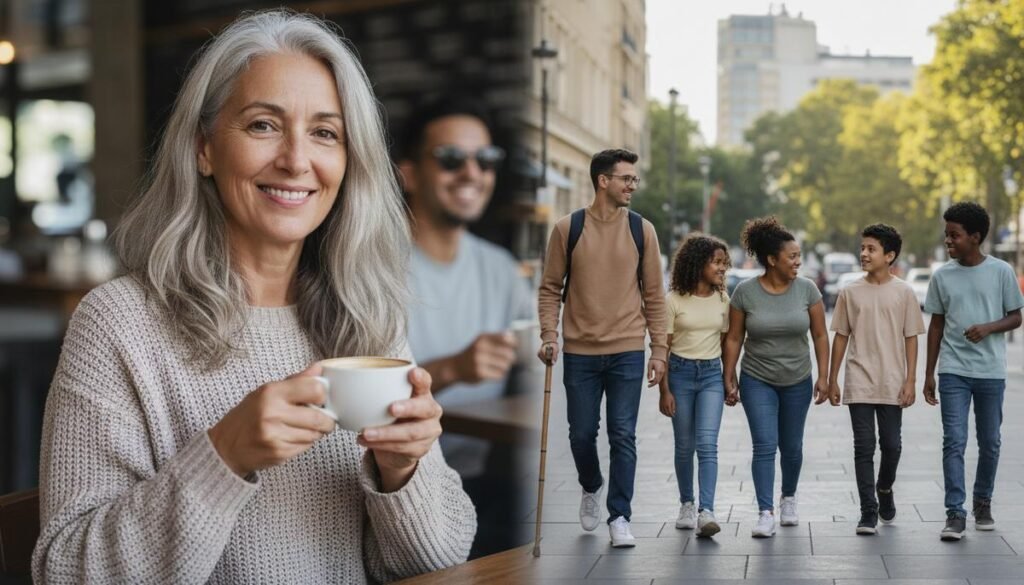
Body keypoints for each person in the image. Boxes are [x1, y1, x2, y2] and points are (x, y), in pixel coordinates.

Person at [31, 11, 475, 584]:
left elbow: (437, 564)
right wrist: (223, 456)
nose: (296, 160)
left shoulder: (367, 322)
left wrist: (402, 471)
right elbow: (65, 570)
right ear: (204, 150)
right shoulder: (120, 324)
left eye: (325, 133)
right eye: (263, 125)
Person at [398, 96, 533, 556]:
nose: (472, 173)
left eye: (486, 160)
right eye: (451, 159)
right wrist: (453, 368)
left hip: (482, 480)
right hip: (397, 485)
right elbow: (355, 405)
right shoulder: (372, 267)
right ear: (409, 174)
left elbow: (543, 348)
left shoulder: (500, 268)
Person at [537, 148, 668, 548]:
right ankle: (591, 484)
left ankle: (620, 515)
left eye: (634, 179)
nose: (632, 185)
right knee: (580, 435)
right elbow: (549, 289)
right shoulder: (567, 228)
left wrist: (659, 350)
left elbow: (655, 295)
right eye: (626, 178)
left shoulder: (641, 230)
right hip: (580, 353)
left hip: (628, 349)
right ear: (603, 181)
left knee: (623, 435)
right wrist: (549, 334)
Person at [722, 216, 830, 538]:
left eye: (798, 256)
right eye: (792, 257)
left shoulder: (808, 290)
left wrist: (824, 377)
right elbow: (733, 338)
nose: (798, 262)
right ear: (772, 260)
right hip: (758, 379)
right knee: (765, 445)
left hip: (797, 379)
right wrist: (729, 376)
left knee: (792, 447)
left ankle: (789, 498)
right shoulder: (745, 292)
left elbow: (821, 336)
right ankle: (765, 511)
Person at [923, 201, 1024, 541]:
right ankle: (955, 512)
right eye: (947, 235)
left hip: (990, 371)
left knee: (990, 442)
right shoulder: (941, 276)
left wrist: (989, 327)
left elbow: (1016, 316)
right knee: (954, 441)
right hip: (953, 370)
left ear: (975, 237)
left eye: (955, 235)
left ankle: (983, 501)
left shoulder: (1001, 271)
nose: (948, 241)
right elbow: (935, 326)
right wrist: (928, 374)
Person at [827, 224, 925, 535]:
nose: (864, 254)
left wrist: (911, 380)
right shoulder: (849, 292)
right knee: (864, 447)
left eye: (871, 249)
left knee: (892, 446)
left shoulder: (905, 292)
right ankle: (868, 510)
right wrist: (832, 378)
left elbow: (911, 338)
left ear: (890, 255)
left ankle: (884, 488)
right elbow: (841, 337)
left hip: (893, 382)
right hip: (859, 380)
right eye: (863, 248)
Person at [658, 234, 731, 538]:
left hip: (712, 375)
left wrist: (730, 378)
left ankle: (707, 511)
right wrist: (664, 391)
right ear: (698, 263)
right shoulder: (673, 300)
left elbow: (727, 342)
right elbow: (663, 345)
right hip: (680, 374)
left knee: (707, 444)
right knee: (685, 446)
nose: (722, 268)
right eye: (716, 262)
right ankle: (687, 503)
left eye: (724, 263)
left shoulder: (724, 300)